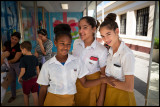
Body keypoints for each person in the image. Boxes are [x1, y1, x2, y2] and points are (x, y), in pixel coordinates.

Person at [37, 24, 114, 106]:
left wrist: (102, 80)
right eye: (62, 43)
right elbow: (43, 89)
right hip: (52, 101)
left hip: (70, 102)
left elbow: (85, 83)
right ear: (55, 43)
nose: (65, 47)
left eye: (68, 44)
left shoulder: (77, 62)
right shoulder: (47, 65)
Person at [99, 13, 136, 106]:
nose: (105, 39)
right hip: (110, 95)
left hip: (123, 98)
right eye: (102, 36)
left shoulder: (126, 54)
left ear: (117, 31)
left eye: (108, 34)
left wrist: (107, 80)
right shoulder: (109, 52)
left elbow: (129, 87)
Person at [72, 16, 108, 106]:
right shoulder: (76, 43)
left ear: (93, 29)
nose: (81, 31)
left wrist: (101, 99)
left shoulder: (101, 50)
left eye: (85, 27)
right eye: (79, 28)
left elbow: (104, 76)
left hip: (92, 87)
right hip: (76, 85)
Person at [2, 32, 22, 103]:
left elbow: (15, 59)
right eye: (12, 38)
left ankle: (26, 93)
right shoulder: (7, 43)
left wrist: (6, 62)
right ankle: (13, 96)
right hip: (9, 64)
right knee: (12, 81)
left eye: (15, 39)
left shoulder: (19, 47)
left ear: (18, 40)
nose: (13, 40)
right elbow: (2, 50)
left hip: (18, 64)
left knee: (21, 79)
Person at [18, 41, 40, 106]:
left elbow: (23, 71)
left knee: (25, 95)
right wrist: (38, 79)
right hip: (34, 79)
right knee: (35, 95)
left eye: (21, 50)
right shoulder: (35, 58)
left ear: (24, 49)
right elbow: (38, 70)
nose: (21, 51)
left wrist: (19, 77)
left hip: (26, 81)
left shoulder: (23, 59)